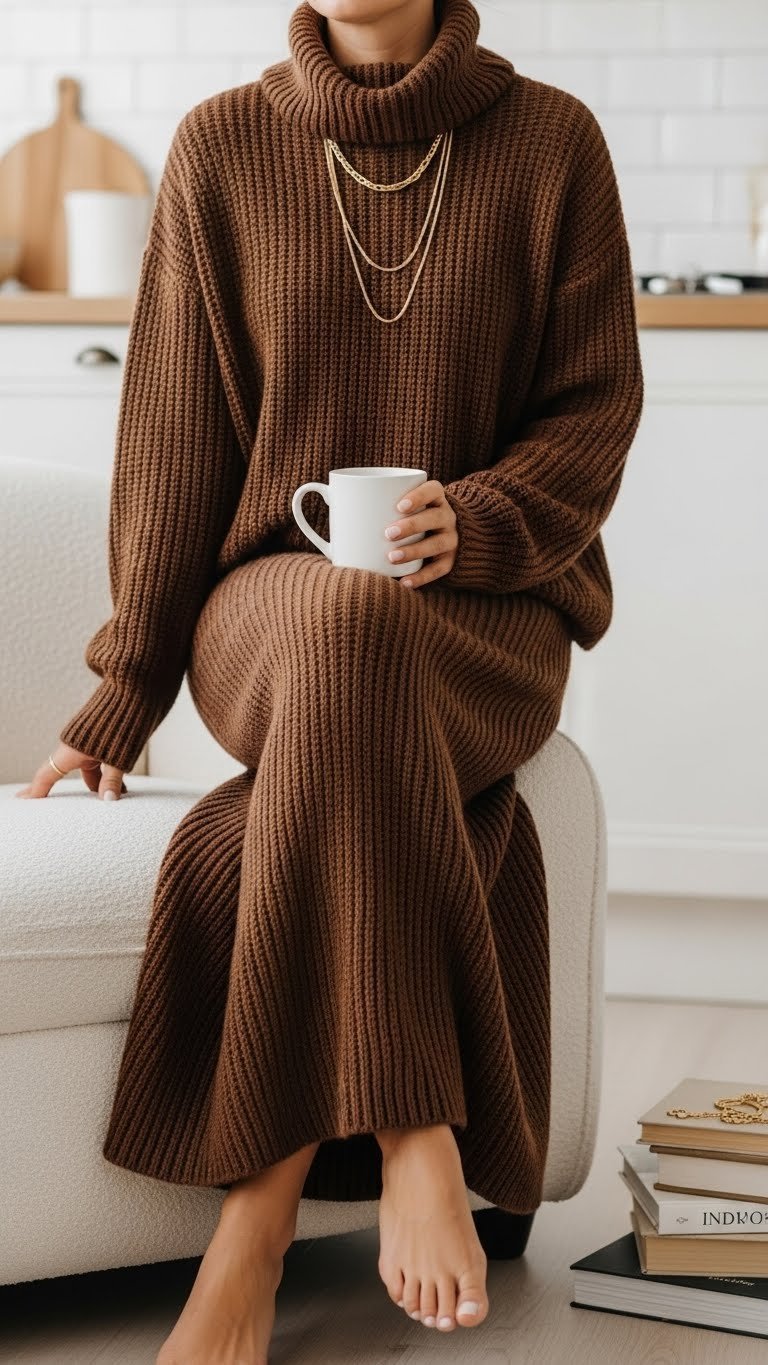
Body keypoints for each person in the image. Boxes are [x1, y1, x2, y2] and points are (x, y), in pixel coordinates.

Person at [17, 0, 643, 1359]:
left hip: (482, 617)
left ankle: (255, 1221)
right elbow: (175, 450)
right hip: (267, 618)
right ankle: (416, 1122)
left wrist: (471, 521)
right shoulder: (222, 149)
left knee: (329, 731)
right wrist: (123, 691)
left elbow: (595, 416)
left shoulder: (554, 146)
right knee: (347, 630)